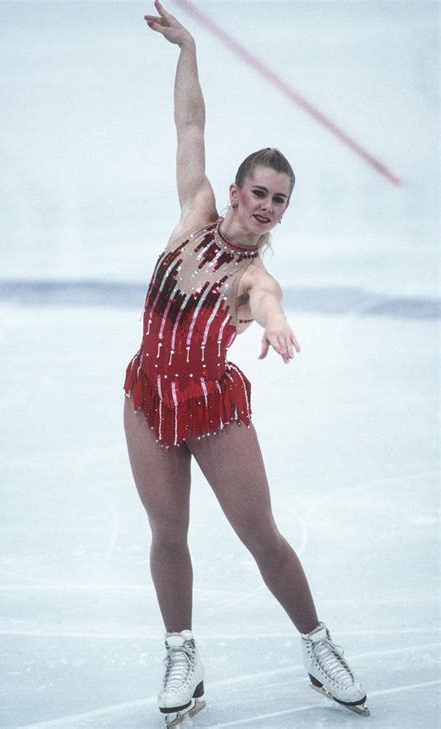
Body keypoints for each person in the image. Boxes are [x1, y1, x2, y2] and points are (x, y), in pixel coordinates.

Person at [123, 2, 369, 725]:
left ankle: (318, 643)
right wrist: (187, 48)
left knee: (260, 534)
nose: (266, 206)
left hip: (210, 406)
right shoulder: (194, 210)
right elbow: (191, 126)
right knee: (167, 532)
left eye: (279, 201)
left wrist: (280, 323)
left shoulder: (253, 276)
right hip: (145, 396)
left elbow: (267, 301)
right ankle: (181, 653)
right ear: (236, 191)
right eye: (259, 192)